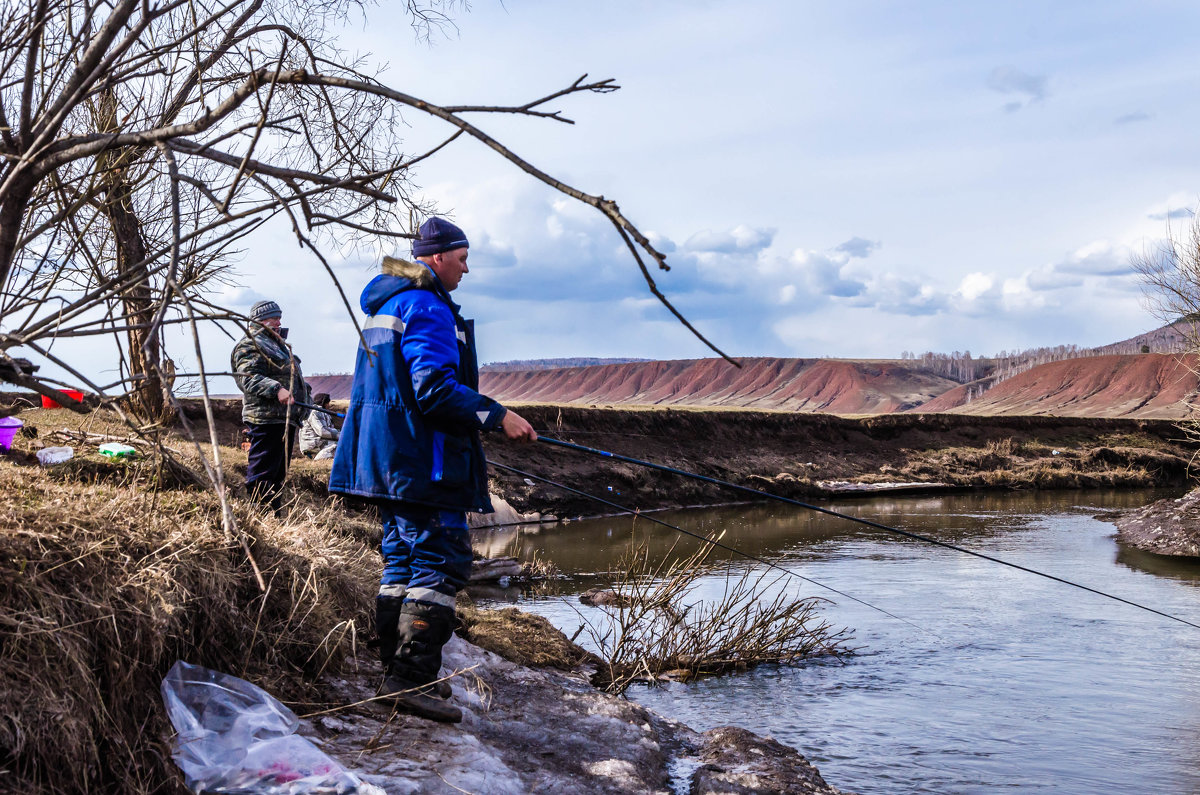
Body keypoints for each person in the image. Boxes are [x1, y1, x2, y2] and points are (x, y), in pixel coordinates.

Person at [329, 217, 536, 723]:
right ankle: (409, 679)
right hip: (424, 463)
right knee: (440, 560)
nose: (466, 270)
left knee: (401, 562)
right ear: (437, 257)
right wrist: (497, 415)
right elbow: (434, 389)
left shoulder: (389, 303)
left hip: (390, 460)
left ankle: (394, 674)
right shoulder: (426, 306)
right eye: (462, 259)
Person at [231, 300, 310, 511]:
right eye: (274, 317)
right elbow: (247, 377)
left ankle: (273, 514)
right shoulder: (251, 343)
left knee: (278, 472)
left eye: (279, 317)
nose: (279, 321)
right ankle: (258, 513)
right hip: (265, 418)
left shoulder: (277, 344)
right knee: (263, 470)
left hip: (284, 418)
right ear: (260, 320)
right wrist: (276, 389)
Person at [299, 392, 340, 460]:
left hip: (318, 441)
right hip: (311, 443)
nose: (329, 405)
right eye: (328, 402)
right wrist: (340, 435)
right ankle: (319, 458)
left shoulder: (323, 413)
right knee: (339, 445)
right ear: (324, 403)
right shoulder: (315, 412)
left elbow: (329, 429)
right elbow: (322, 431)